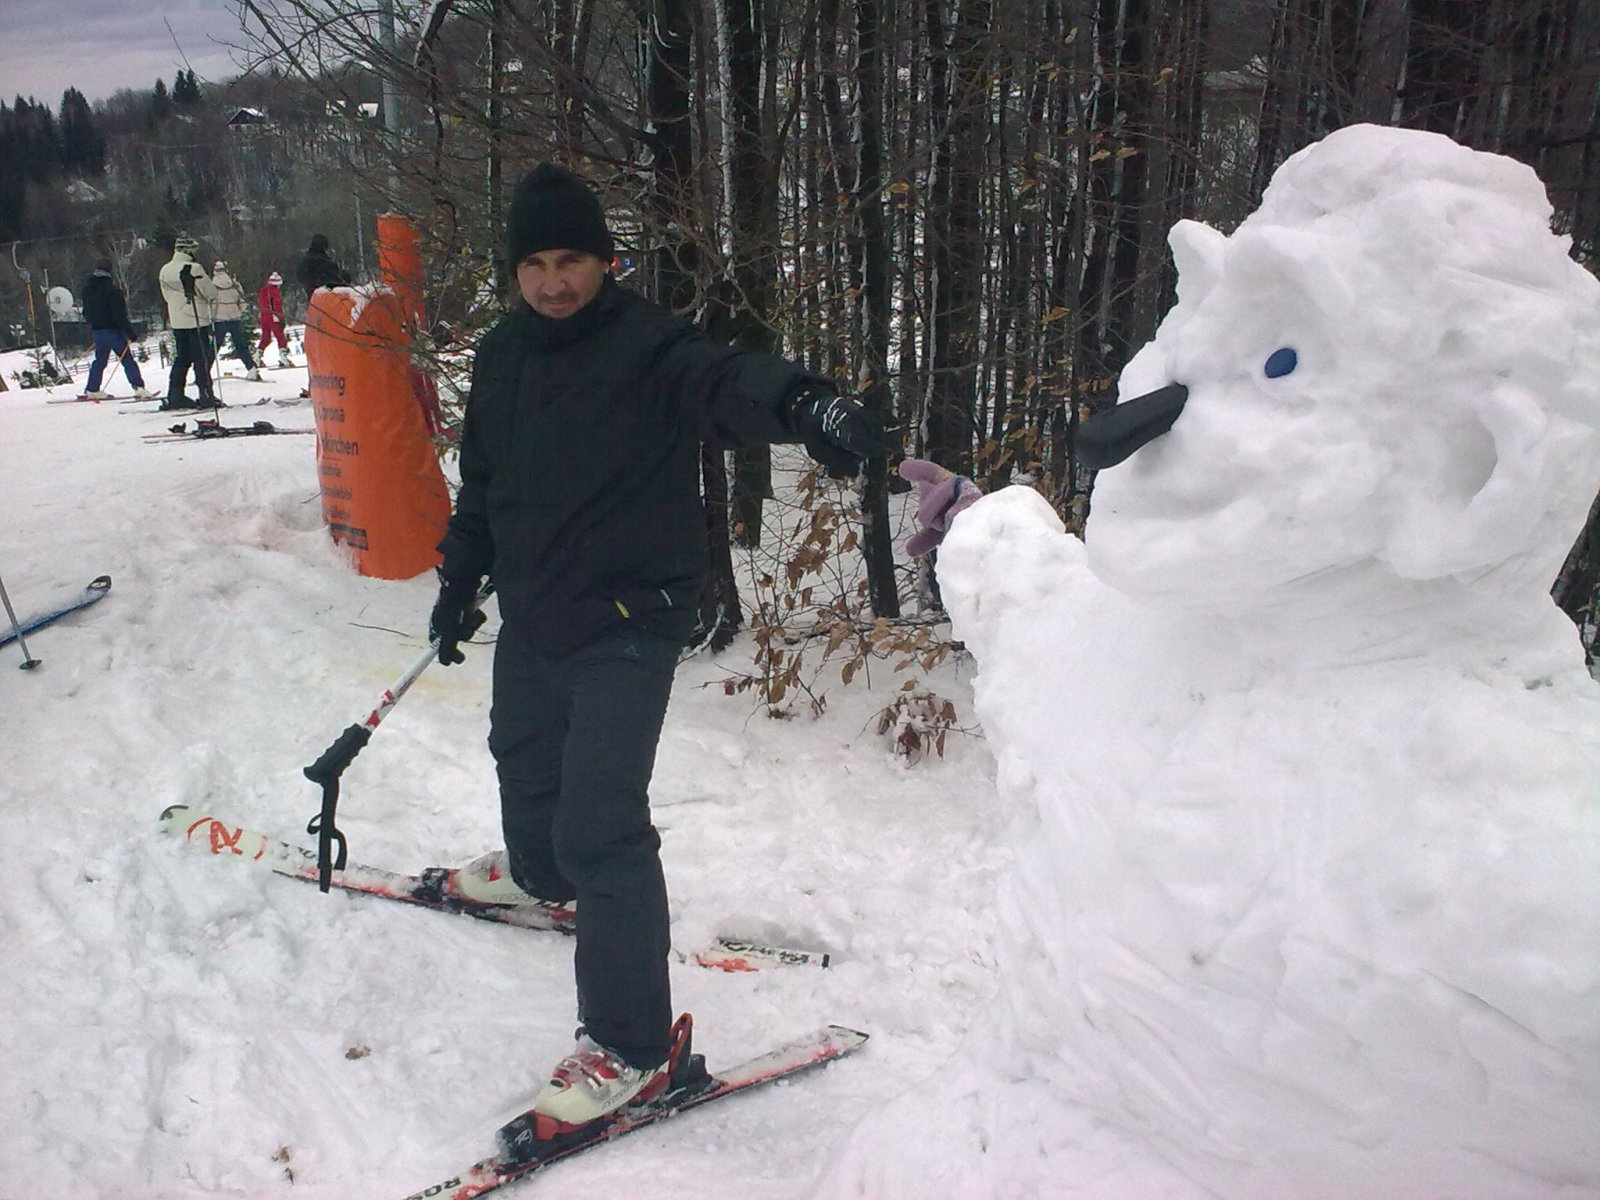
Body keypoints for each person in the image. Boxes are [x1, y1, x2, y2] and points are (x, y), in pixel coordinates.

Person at [428, 162, 886, 1132]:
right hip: (539, 607)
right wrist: (460, 580)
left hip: (632, 614)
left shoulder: (648, 347)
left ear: (605, 261)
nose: (554, 282)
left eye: (572, 261)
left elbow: (728, 381)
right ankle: (545, 881)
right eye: (535, 265)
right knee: (523, 760)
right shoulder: (504, 355)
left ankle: (632, 1048)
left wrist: (808, 405)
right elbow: (485, 483)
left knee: (601, 820)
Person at [79, 258, 155, 400]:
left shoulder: (87, 289)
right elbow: (119, 314)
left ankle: (92, 388)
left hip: (97, 330)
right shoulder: (113, 290)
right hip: (113, 330)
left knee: (100, 361)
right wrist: (130, 333)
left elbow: (86, 312)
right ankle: (139, 387)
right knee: (127, 360)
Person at [157, 233, 218, 410]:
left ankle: (175, 395)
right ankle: (205, 395)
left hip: (177, 321)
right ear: (188, 250)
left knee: (182, 358)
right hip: (197, 319)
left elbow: (166, 296)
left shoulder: (164, 270)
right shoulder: (194, 268)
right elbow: (211, 293)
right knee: (201, 358)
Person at [210, 260, 261, 382]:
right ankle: (251, 368)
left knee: (214, 347)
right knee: (240, 345)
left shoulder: (212, 285)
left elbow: (212, 305)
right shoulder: (234, 283)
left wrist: (211, 318)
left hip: (219, 320)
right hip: (234, 318)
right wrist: (238, 311)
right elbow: (242, 301)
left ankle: (203, 373)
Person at [296, 233, 351, 299]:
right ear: (324, 246)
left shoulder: (305, 261)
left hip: (312, 299)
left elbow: (300, 276)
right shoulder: (324, 262)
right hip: (326, 299)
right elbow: (338, 277)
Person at [257, 271, 290, 367]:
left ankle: (257, 357)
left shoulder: (263, 291)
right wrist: (281, 318)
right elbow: (277, 305)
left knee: (266, 338)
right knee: (281, 338)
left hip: (263, 317)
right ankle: (284, 358)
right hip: (273, 317)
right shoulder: (274, 291)